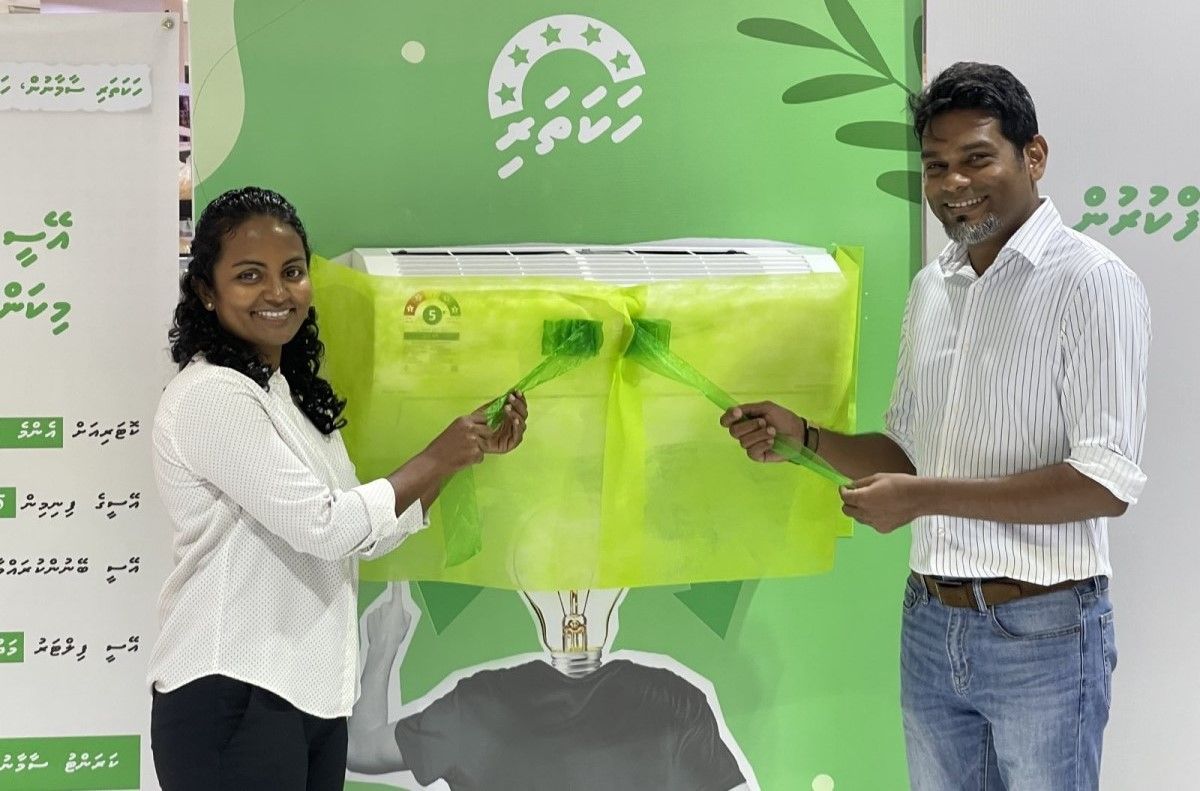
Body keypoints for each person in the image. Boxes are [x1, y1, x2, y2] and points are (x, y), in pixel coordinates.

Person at [720, 62, 1149, 790]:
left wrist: (923, 499)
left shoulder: (1092, 282)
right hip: (930, 619)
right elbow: (907, 454)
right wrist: (806, 439)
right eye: (936, 165)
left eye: (977, 158)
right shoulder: (932, 288)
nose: (954, 184)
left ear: (1033, 155)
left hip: (1043, 630)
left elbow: (1104, 483)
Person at [146, 186, 529, 791]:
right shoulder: (212, 395)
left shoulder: (287, 397)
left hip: (310, 696)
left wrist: (459, 455)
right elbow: (326, 527)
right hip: (233, 692)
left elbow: (361, 534)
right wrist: (438, 454)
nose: (278, 292)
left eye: (292, 272)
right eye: (249, 275)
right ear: (205, 291)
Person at [345, 583, 752, 791]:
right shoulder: (670, 700)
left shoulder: (481, 704)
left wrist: (383, 648)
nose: (574, 604)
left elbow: (361, 748)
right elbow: (359, 751)